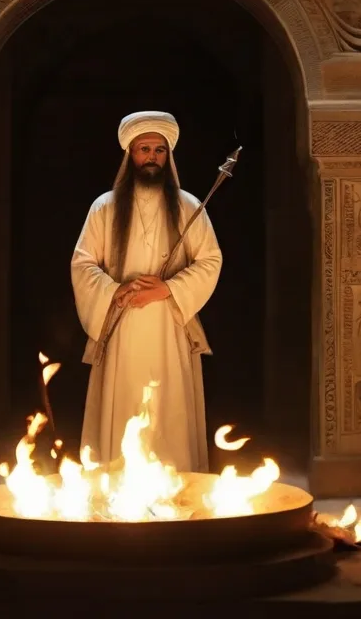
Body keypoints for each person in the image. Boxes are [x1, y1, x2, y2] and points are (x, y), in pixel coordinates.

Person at [71, 110, 222, 472]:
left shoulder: (189, 207)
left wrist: (168, 289)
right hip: (122, 327)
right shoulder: (104, 208)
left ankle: (175, 490)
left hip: (169, 330)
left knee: (168, 414)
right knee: (122, 410)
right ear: (131, 156)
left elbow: (210, 261)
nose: (151, 157)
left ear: (168, 156)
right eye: (144, 149)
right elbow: (83, 263)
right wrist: (116, 290)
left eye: (159, 150)